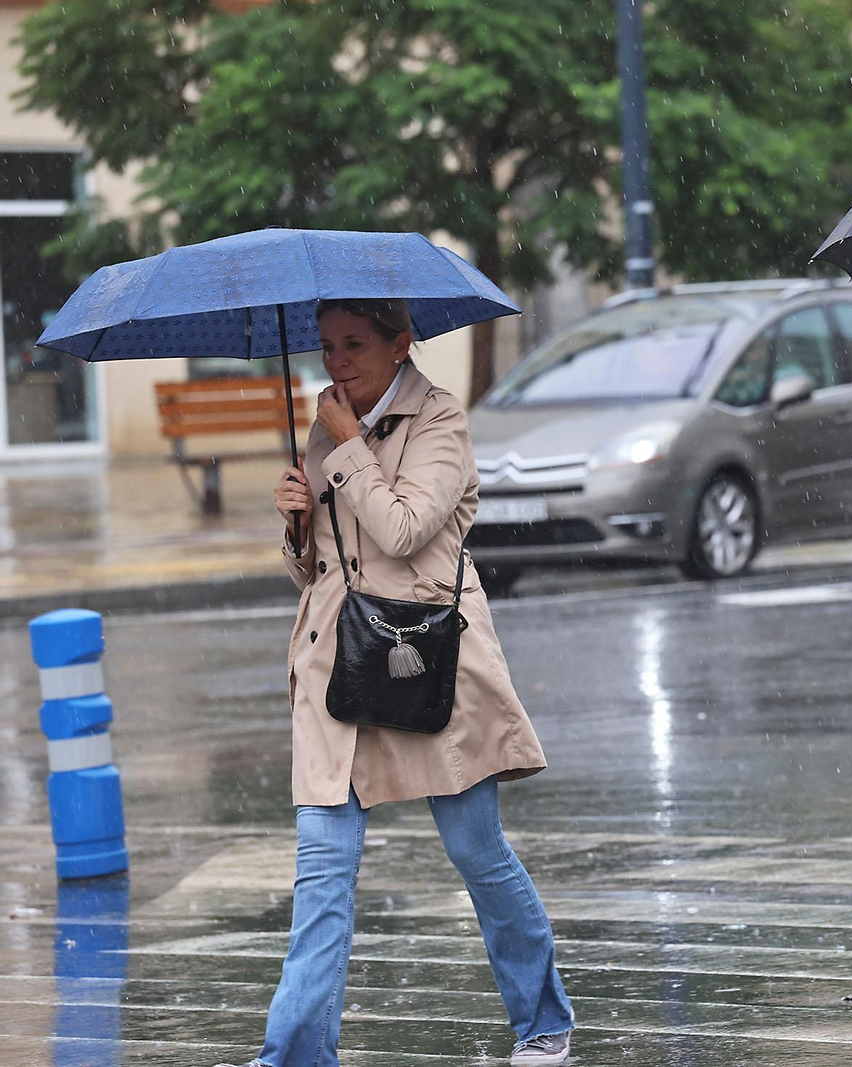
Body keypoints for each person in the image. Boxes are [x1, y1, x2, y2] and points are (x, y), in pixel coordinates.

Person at [219, 299, 574, 1067]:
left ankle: (543, 1022)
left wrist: (347, 448)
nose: (336, 362)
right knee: (322, 868)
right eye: (325, 347)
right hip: (337, 669)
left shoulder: (439, 420)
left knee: (476, 849)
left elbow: (405, 531)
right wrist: (293, 527)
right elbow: (323, 566)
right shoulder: (327, 426)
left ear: (399, 343)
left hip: (424, 660)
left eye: (353, 345)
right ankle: (294, 1054)